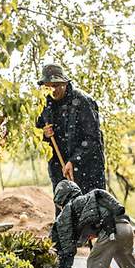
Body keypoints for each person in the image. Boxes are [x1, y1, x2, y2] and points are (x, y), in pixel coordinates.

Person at [36, 64, 106, 199]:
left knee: (90, 209)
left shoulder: (82, 101)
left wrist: (74, 161)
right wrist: (43, 134)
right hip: (59, 168)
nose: (53, 90)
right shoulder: (43, 105)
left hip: (88, 167)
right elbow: (36, 133)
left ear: (65, 84)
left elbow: (93, 139)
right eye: (48, 86)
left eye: (56, 86)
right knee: (65, 211)